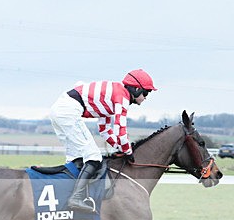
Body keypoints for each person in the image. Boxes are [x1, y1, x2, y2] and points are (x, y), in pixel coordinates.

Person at [49, 69, 157, 212]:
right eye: (146, 93)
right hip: (68, 111)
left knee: (75, 158)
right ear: (136, 89)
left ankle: (67, 195)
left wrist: (119, 147)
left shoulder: (112, 96)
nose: (145, 97)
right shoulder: (122, 97)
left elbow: (105, 130)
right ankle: (76, 198)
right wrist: (128, 151)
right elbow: (121, 129)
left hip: (60, 110)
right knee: (93, 157)